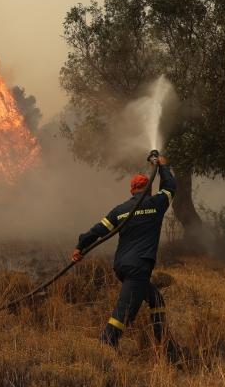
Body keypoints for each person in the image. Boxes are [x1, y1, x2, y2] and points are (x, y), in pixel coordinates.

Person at [71, 152, 180, 360]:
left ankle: (164, 344)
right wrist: (164, 166)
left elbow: (97, 231)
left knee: (156, 299)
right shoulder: (156, 204)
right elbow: (170, 188)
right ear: (148, 189)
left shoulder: (120, 210)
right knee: (124, 312)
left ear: (132, 190)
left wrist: (80, 246)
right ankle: (106, 345)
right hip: (139, 268)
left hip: (122, 266)